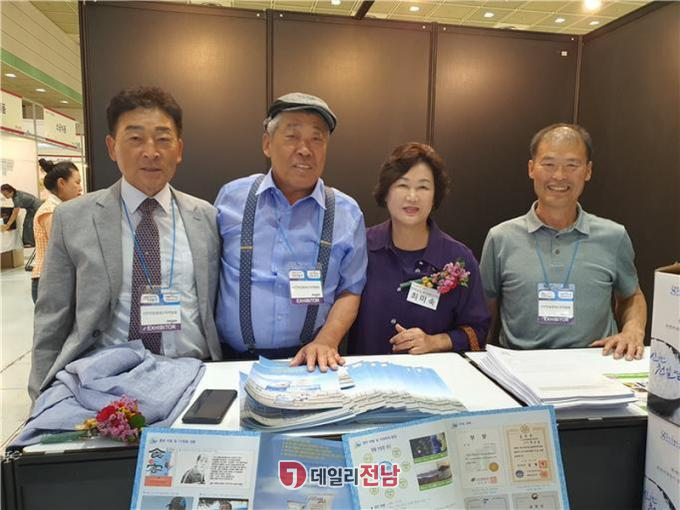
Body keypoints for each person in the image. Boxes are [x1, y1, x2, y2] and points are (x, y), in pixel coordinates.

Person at [28, 86, 222, 400]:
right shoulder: (73, 218)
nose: (151, 152)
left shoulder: (206, 217)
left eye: (163, 139)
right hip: (103, 383)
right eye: (135, 138)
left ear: (179, 149)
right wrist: (41, 396)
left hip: (194, 376)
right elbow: (52, 315)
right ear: (112, 147)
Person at [214, 92, 367, 371]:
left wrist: (327, 340)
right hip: (231, 362)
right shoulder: (231, 198)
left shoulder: (347, 213)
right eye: (292, 136)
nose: (305, 150)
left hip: (311, 363)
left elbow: (350, 290)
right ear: (267, 144)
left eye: (316, 139)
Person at [480, 123, 647, 360]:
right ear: (531, 168)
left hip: (596, 365)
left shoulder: (614, 236)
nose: (559, 176)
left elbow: (631, 296)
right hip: (521, 366)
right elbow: (485, 311)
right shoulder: (501, 238)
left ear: (588, 171)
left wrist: (632, 331)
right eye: (548, 164)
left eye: (572, 165)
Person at [348, 143, 489, 355]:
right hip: (366, 371)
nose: (412, 196)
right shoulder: (360, 247)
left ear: (435, 196)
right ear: (386, 192)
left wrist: (434, 342)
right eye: (402, 185)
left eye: (423, 187)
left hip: (433, 373)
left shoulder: (459, 259)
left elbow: (478, 331)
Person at [30, 159, 83, 303]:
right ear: (61, 183)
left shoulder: (61, 209)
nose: (80, 188)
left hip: (58, 278)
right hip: (49, 280)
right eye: (77, 183)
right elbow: (63, 246)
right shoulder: (50, 211)